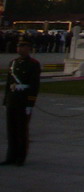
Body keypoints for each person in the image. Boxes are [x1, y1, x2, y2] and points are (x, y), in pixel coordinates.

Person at [4, 37, 41, 166]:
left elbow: (34, 85)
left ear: (28, 49)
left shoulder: (33, 64)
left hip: (23, 99)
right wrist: (5, 101)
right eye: (18, 46)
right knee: (11, 129)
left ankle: (21, 157)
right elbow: (9, 83)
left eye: (22, 46)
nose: (19, 48)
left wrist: (30, 104)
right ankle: (11, 156)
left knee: (21, 130)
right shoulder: (13, 63)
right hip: (13, 99)